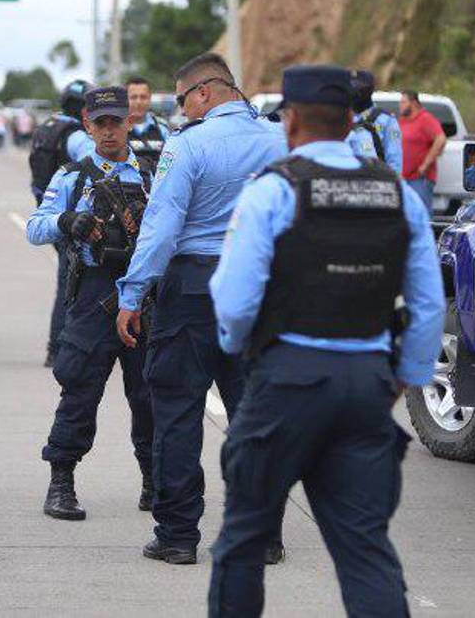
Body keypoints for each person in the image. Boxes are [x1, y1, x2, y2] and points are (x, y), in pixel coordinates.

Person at [206, 64, 443, 617]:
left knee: (243, 540)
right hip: (367, 387)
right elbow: (429, 305)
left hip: (286, 378)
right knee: (365, 547)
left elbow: (236, 301)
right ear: (350, 121)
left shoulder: (272, 190)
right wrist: (403, 376)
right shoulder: (398, 195)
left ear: (290, 122)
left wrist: (246, 348)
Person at [114, 52, 288, 566]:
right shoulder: (281, 141)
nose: (183, 109)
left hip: (194, 288)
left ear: (206, 92)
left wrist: (131, 292)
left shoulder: (188, 145)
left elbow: (162, 226)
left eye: (184, 99)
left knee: (177, 413)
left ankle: (177, 536)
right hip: (261, 287)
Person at [26, 85, 154, 521]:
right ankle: (61, 483)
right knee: (79, 391)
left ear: (129, 123)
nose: (109, 131)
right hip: (95, 296)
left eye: (116, 122)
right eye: (100, 123)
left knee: (152, 395)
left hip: (147, 299)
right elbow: (35, 227)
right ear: (87, 125)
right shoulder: (72, 176)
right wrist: (67, 220)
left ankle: (155, 483)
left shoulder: (155, 174)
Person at [29, 79, 97, 367]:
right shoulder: (75, 136)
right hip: (71, 220)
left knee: (66, 281)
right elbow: (94, 163)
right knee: (72, 282)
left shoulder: (47, 127)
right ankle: (59, 347)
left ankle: (57, 346)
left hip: (50, 209)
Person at [346, 69, 403, 173]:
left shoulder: (386, 120)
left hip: (376, 181)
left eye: (359, 89)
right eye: (352, 88)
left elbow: (394, 160)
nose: (355, 93)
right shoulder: (342, 118)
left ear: (369, 90)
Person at [398, 89, 446, 211]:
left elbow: (440, 139)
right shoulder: (402, 121)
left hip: (419, 179)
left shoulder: (425, 119)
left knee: (421, 215)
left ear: (413, 103)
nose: (400, 105)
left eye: (403, 102)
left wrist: (425, 164)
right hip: (404, 179)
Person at [126, 75, 171, 173]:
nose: (138, 102)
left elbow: (170, 164)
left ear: (150, 98)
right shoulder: (118, 130)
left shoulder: (162, 129)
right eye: (133, 97)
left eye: (143, 97)